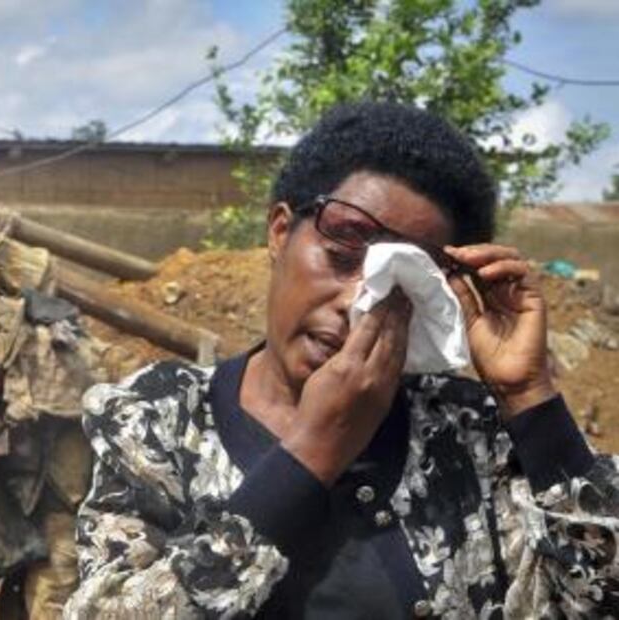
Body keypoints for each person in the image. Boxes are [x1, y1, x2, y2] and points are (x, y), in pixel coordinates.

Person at [63, 102, 619, 619]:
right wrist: (311, 453)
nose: (358, 301)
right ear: (280, 232)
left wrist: (529, 394)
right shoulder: (157, 418)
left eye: (400, 283)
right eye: (342, 252)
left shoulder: (471, 433)